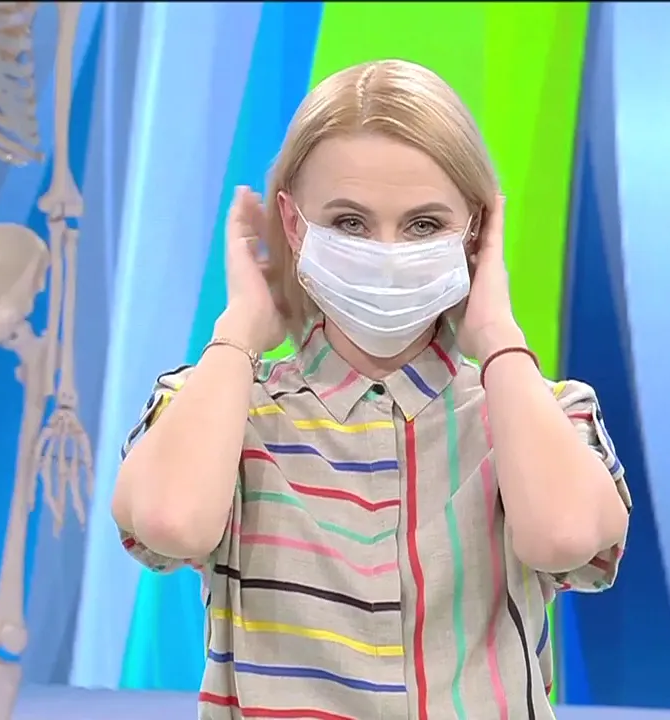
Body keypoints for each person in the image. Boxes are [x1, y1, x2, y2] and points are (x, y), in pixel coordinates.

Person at [111, 59, 631, 720]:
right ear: (294, 225)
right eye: (350, 223)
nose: (387, 254)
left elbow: (565, 539)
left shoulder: (546, 413)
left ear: (475, 231)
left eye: (423, 225)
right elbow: (170, 524)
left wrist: (499, 334)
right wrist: (239, 329)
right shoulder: (217, 404)